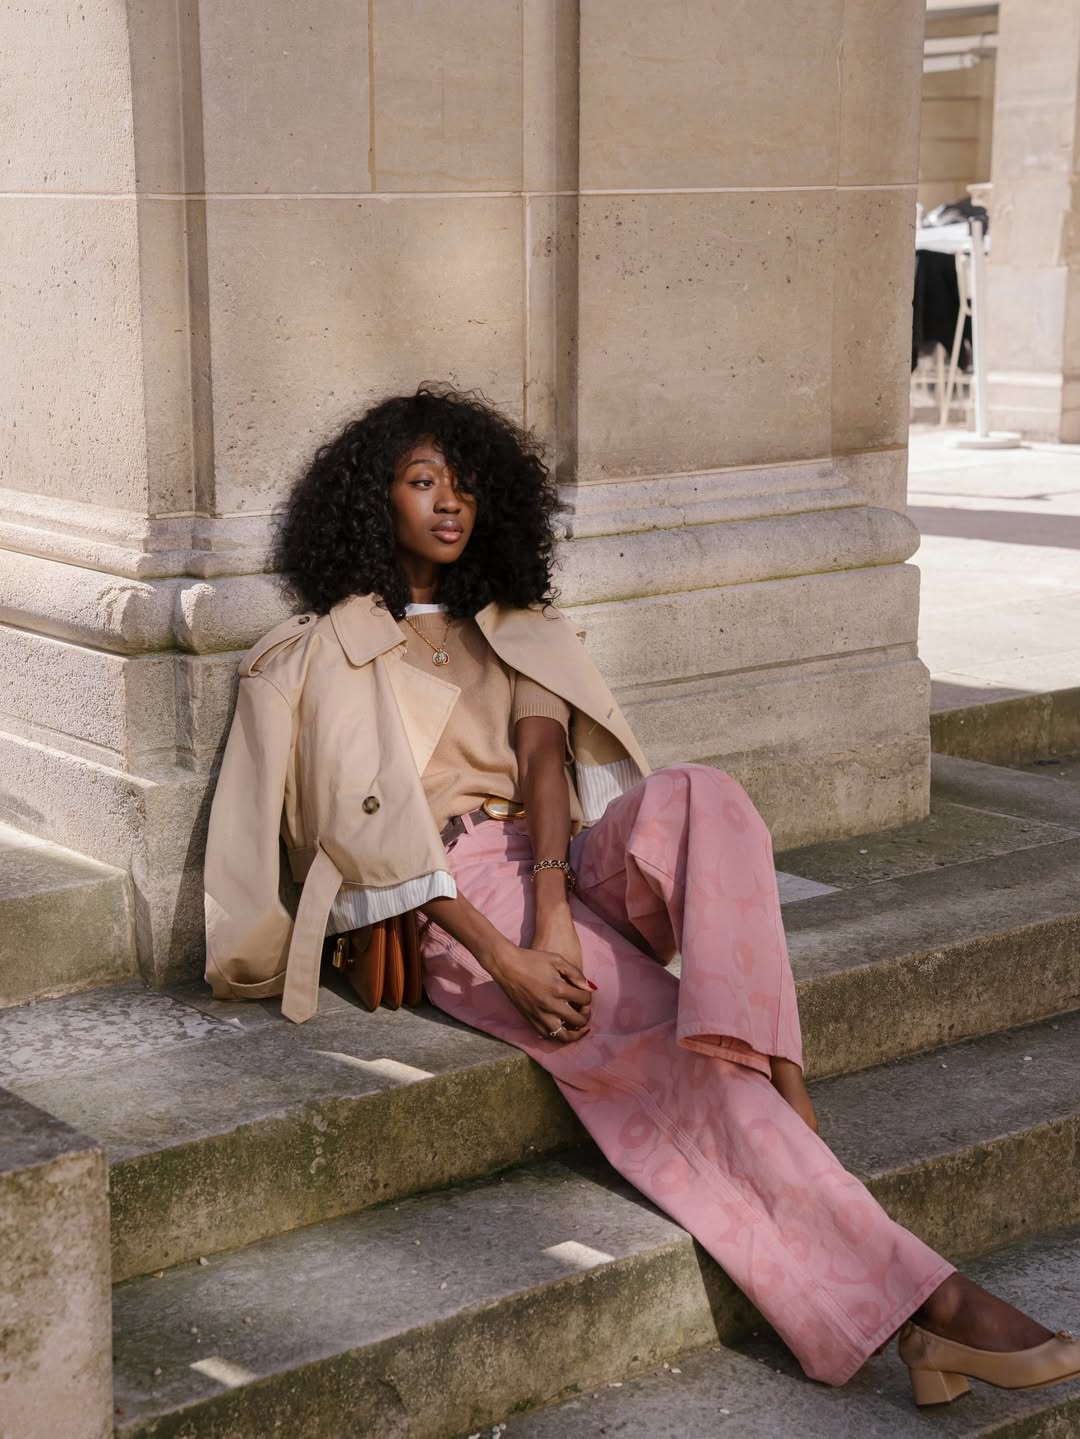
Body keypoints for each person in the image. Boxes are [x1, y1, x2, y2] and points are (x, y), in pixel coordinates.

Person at [204, 384, 1079, 1406]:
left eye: (466, 485)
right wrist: (512, 955)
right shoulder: (332, 650)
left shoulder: (511, 623)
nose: (450, 504)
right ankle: (933, 1309)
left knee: (704, 795)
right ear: (373, 499)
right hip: (454, 901)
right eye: (422, 481)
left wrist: (561, 909)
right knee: (666, 1044)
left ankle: (776, 1076)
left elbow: (544, 760)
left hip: (553, 862)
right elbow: (363, 834)